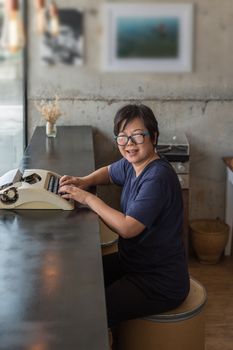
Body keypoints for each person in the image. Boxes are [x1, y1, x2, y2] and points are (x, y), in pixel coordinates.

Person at [59, 103, 190, 331]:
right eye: (122, 137)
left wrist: (89, 199)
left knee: (95, 307)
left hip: (158, 281)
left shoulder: (157, 177)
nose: (129, 144)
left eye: (137, 136)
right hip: (133, 262)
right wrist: (85, 180)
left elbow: (129, 228)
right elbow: (110, 172)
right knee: (81, 275)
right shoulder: (133, 164)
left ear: (154, 137)